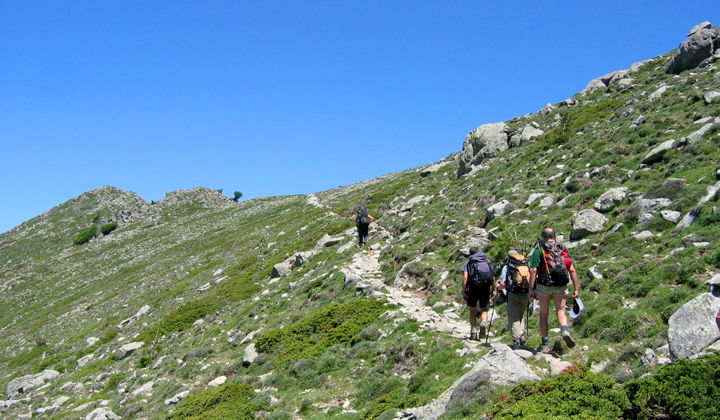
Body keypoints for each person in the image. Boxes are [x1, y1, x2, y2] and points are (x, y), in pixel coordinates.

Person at [528, 228, 580, 353]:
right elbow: (572, 269)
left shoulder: (539, 250)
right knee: (561, 311)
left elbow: (534, 270)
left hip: (544, 286)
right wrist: (576, 289)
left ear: (543, 237)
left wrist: (531, 289)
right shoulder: (563, 249)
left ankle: (545, 343)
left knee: (544, 314)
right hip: (561, 285)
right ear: (555, 236)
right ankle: (565, 330)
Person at [462, 247, 496, 340]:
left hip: (473, 288)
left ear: (470, 255)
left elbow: (465, 278)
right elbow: (493, 278)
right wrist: (493, 290)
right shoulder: (486, 262)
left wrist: (464, 291)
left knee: (472, 310)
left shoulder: (469, 263)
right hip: (485, 287)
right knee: (484, 309)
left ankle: (473, 331)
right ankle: (484, 322)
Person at [498, 249, 530, 347]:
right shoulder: (525, 265)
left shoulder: (507, 267)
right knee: (521, 315)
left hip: (513, 294)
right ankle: (522, 334)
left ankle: (517, 338)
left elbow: (503, 283)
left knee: (513, 316)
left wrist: (498, 288)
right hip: (525, 293)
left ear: (509, 258)